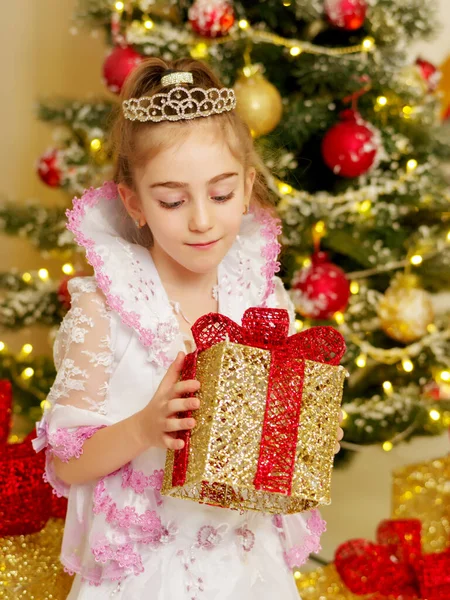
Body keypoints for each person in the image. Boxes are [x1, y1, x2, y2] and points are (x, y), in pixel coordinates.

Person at [33, 57, 343, 599]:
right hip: (144, 574)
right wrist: (143, 429)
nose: (201, 219)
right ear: (135, 203)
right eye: (173, 201)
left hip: (245, 568)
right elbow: (66, 460)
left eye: (221, 194)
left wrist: (305, 438)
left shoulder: (263, 296)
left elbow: (268, 451)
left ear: (247, 188)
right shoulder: (103, 313)